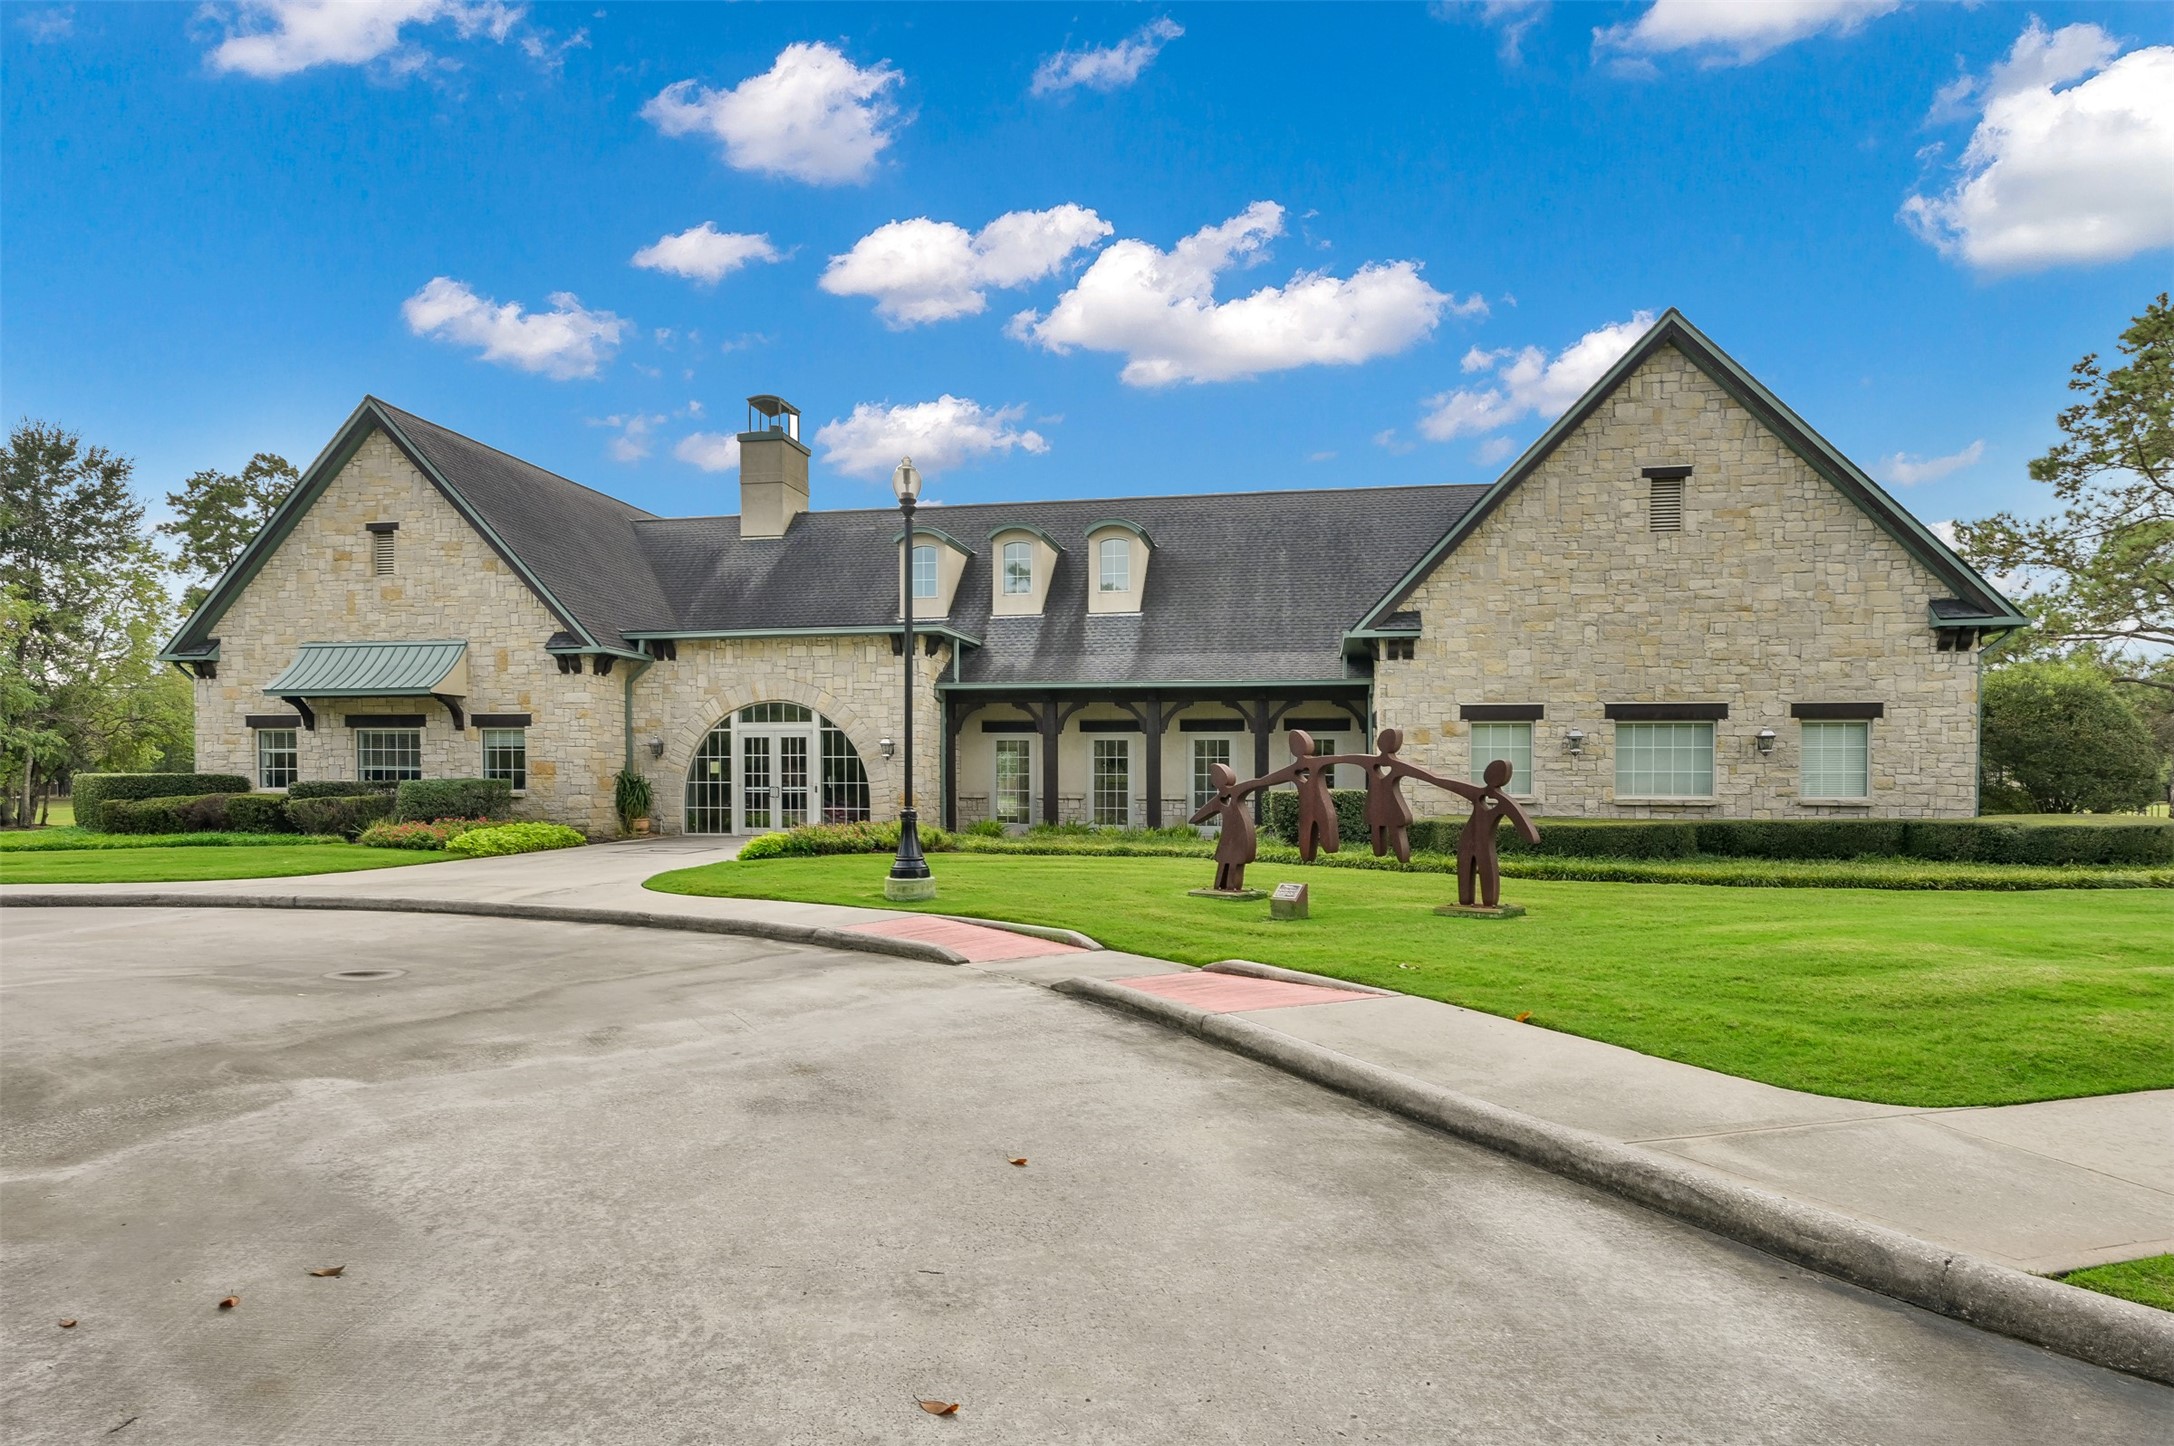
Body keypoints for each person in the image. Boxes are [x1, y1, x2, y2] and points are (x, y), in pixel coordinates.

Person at [1317, 727, 1439, 865]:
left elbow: (1427, 776)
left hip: (1385, 804)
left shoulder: (1387, 764)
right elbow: (1345, 758)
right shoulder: (1374, 762)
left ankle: (1401, 860)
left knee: (1394, 829)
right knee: (1381, 828)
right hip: (1378, 804)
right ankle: (1385, 858)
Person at [1437, 758, 1540, 908]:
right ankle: (1466, 900)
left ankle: (1488, 902)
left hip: (1483, 842)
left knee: (1486, 867)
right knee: (1465, 867)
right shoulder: (1477, 792)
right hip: (1468, 839)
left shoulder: (1503, 801)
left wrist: (1530, 836)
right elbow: (1444, 782)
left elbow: (1520, 820)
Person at [1245, 730, 1342, 862]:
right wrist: (1251, 784)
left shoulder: (1317, 763)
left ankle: (1317, 851)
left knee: (1329, 842)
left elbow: (1346, 758)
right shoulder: (1295, 769)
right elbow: (1269, 779)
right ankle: (1307, 855)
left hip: (1321, 805)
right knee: (1306, 840)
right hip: (1307, 808)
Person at [1186, 762, 1267, 892]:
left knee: (1236, 858)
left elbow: (1258, 782)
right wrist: (1194, 819)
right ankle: (1220, 885)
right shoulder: (1219, 799)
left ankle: (1231, 886)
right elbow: (1205, 811)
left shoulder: (1237, 791)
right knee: (1224, 856)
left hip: (1240, 831)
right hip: (1228, 834)